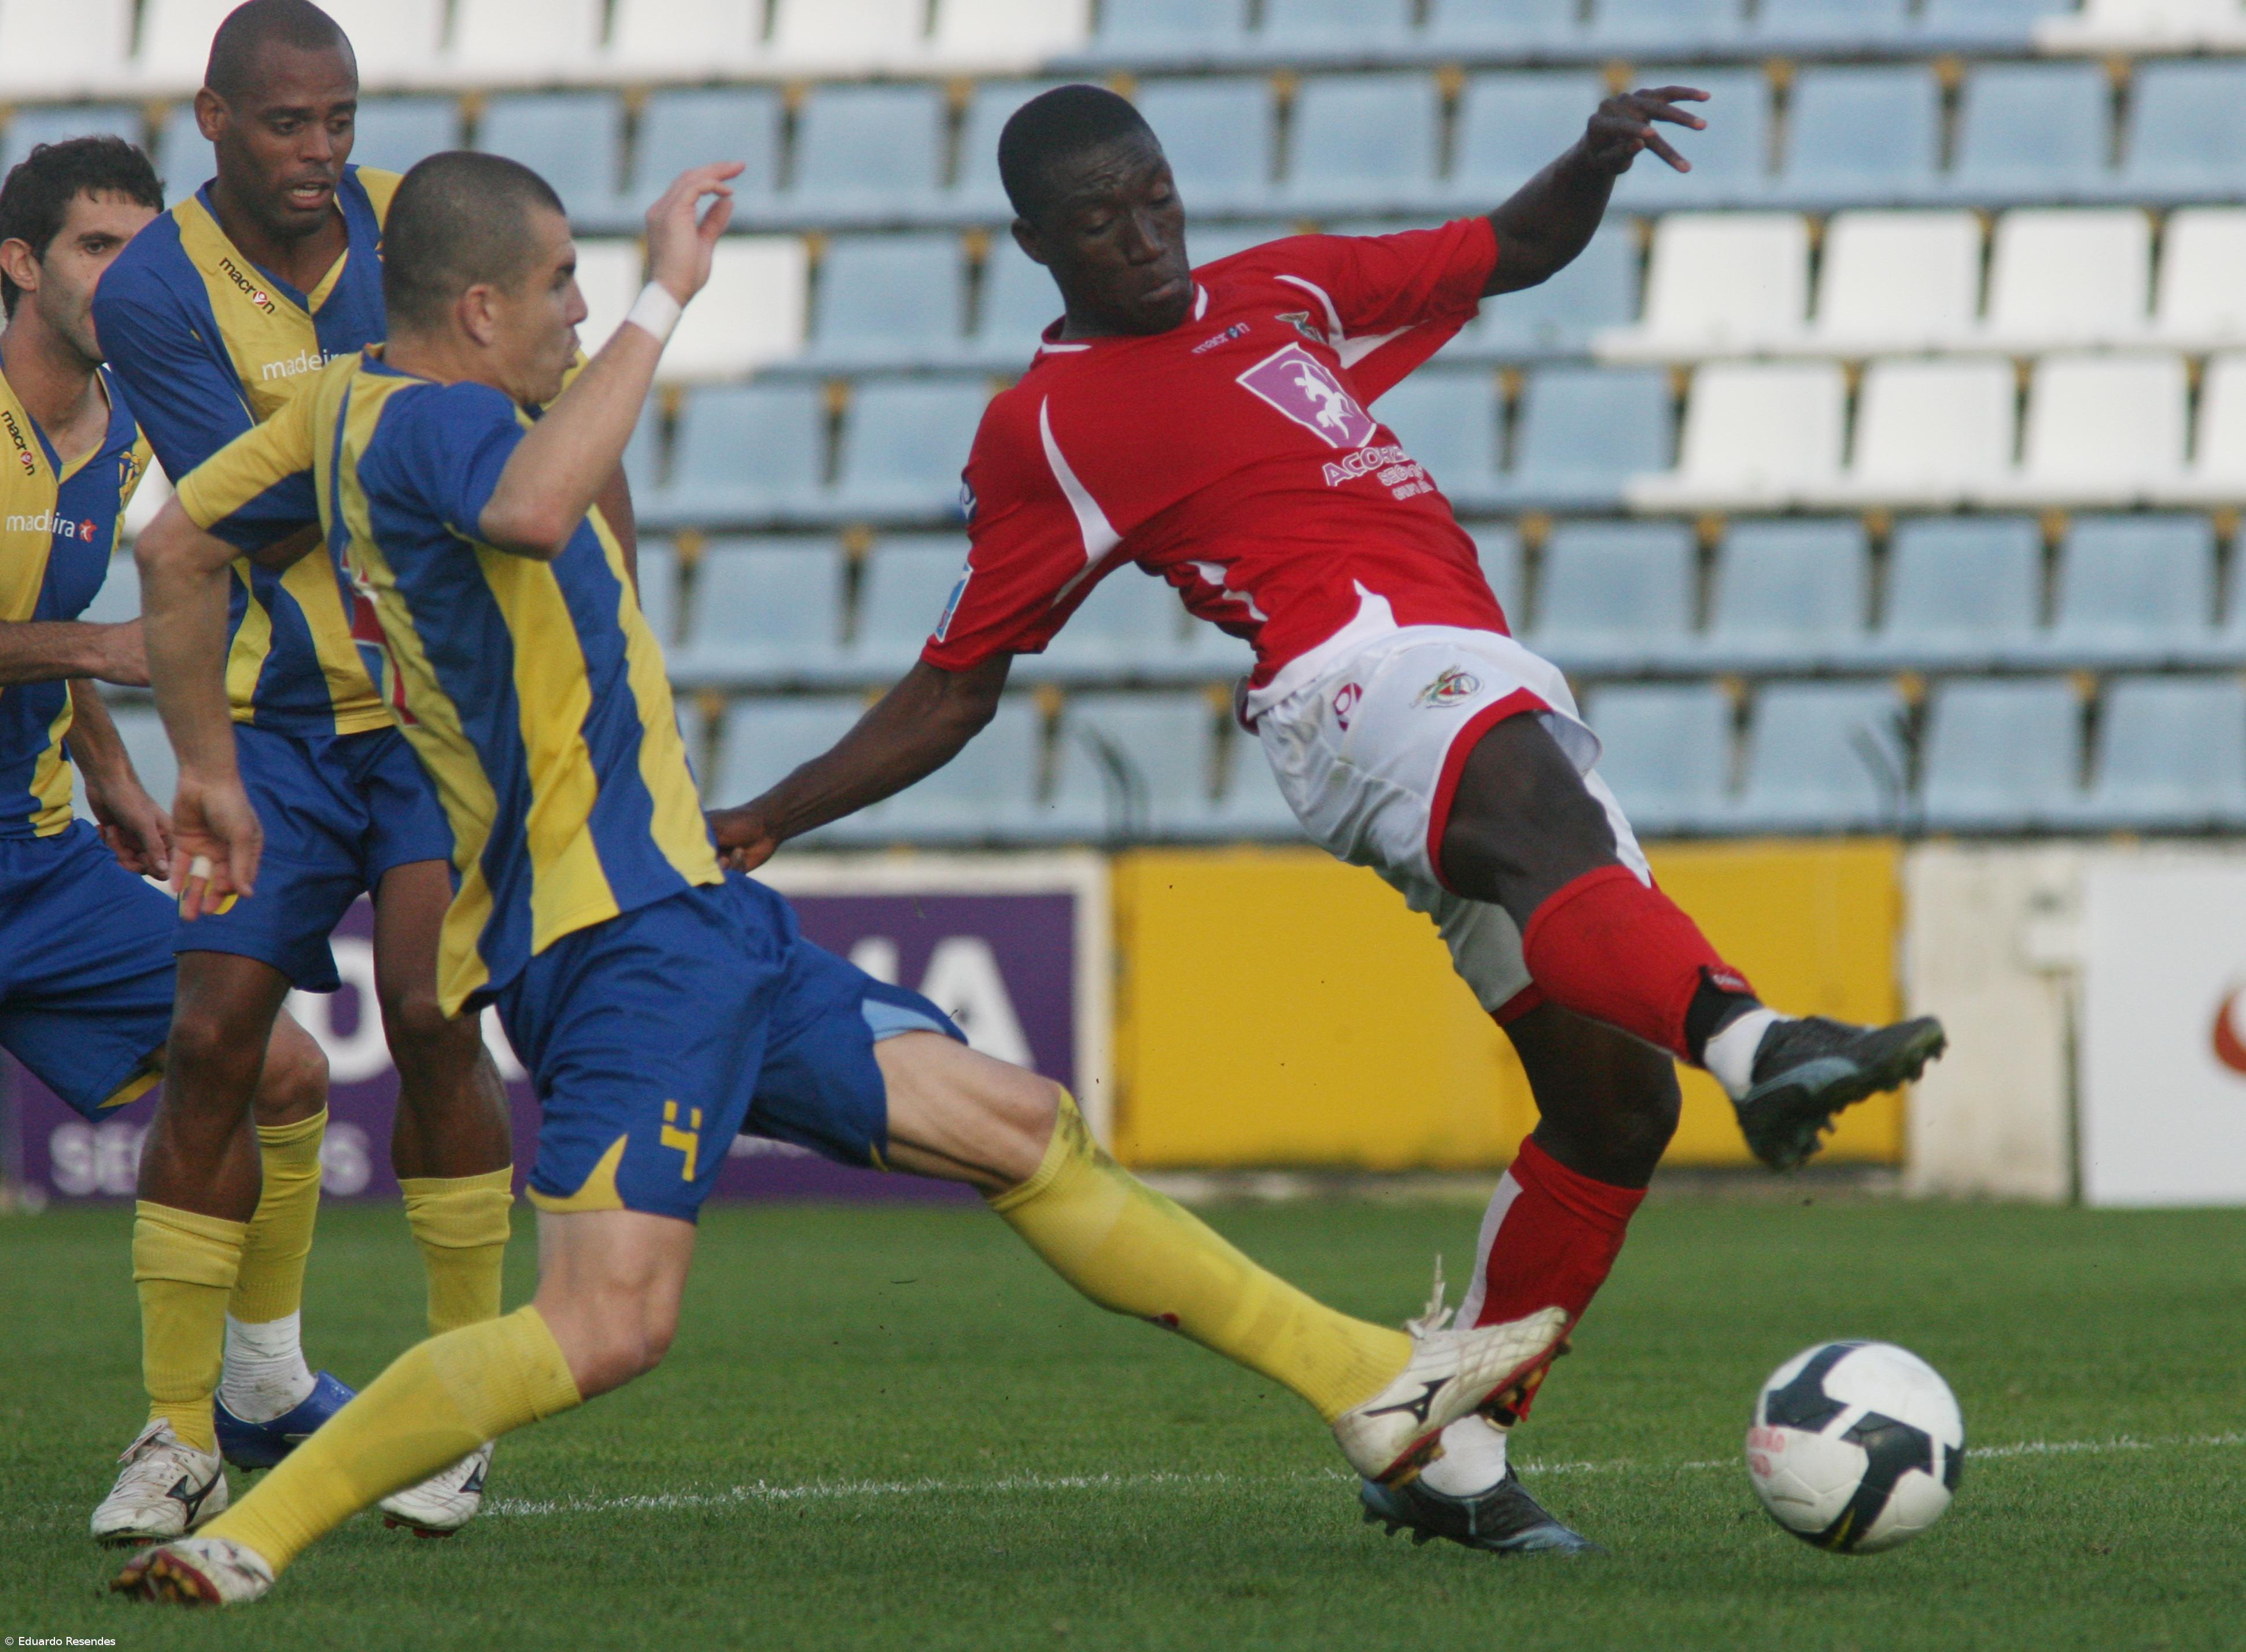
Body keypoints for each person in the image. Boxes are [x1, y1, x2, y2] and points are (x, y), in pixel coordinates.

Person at [109, 149, 1570, 1607]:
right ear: (481, 308)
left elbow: (175, 548)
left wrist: (210, 770)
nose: (583, 306)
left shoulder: (338, 404)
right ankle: (248, 1534)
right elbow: (541, 509)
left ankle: (1365, 1382)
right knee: (606, 1325)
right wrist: (667, 301)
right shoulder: (434, 426)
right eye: (562, 281)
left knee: (1017, 1129)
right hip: (620, 935)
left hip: (694, 915)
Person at [700, 84, 1950, 1555]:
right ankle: (1765, 1044)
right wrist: (768, 816)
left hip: (1471, 668)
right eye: (1099, 222)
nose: (1144, 236)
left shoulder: (1276, 289)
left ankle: (1447, 1448)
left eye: (1155, 197)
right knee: (1536, 804)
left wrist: (1592, 160)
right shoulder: (1046, 425)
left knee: (1616, 1107)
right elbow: (955, 689)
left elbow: (1509, 251)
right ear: (1035, 243)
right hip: (1350, 680)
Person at [90, 0, 624, 1535]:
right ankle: (177, 1433)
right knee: (210, 1039)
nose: (321, 154)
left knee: (429, 1014)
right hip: (273, 720)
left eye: (339, 121)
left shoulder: (423, 224)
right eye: (285, 125)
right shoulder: (152, 293)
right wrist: (424, 454)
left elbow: (562, 428)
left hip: (446, 710)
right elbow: (245, 520)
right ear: (211, 119)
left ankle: (456, 1411)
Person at [0, 134, 338, 1546]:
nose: (125, 275)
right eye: (93, 248)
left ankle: (258, 1385)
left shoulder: (127, 422)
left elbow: (64, 644)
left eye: (144, 249)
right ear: (18, 265)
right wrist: (105, 645)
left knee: (279, 1062)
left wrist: (115, 766)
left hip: (40, 862)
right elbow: (85, 626)